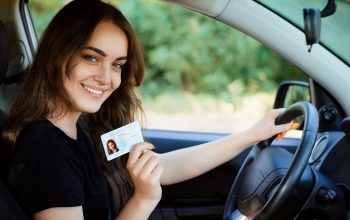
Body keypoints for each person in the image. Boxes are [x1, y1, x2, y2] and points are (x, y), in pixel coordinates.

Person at [1, 0, 293, 219]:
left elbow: (160, 167)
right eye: (91, 58)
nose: (106, 78)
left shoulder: (82, 124)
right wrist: (143, 199)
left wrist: (250, 135)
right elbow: (152, 183)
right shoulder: (46, 149)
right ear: (56, 55)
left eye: (117, 64)